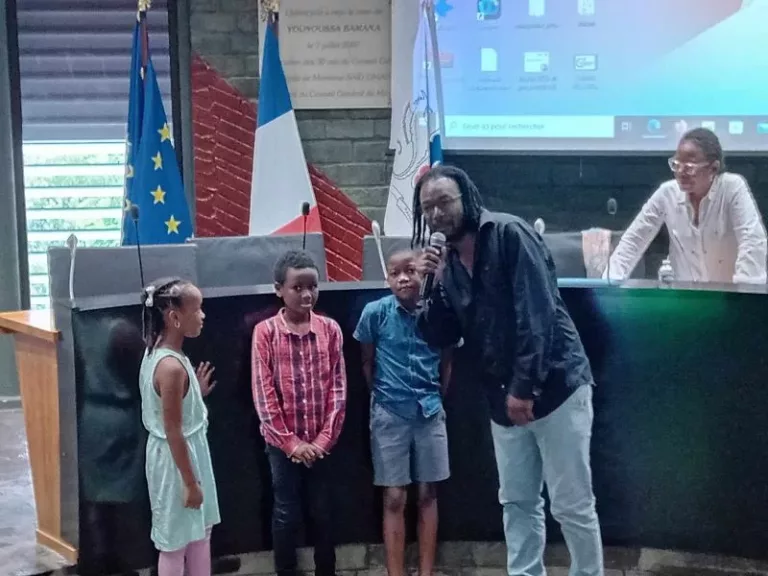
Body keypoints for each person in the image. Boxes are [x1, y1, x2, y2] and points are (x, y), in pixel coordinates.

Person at [413, 165, 604, 576]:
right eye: (428, 208)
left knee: (571, 504)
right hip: (503, 401)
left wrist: (524, 388)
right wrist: (430, 285)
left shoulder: (509, 234)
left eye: (444, 202)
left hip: (555, 389)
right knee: (517, 502)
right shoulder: (448, 265)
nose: (436, 214)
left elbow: (538, 316)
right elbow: (440, 334)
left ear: (467, 198)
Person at [353, 249, 452, 576]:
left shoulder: (440, 313)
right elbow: (367, 361)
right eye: (395, 273)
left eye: (410, 270)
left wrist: (435, 399)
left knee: (428, 493)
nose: (404, 278)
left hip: (430, 413)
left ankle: (426, 572)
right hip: (389, 413)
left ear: (423, 273)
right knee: (394, 496)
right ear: (387, 279)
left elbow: (447, 363)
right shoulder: (375, 313)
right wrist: (383, 397)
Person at [251, 250, 347, 576]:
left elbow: (338, 389)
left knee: (323, 511)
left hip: (322, 443)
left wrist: (322, 441)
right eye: (297, 287)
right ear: (279, 289)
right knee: (285, 511)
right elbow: (263, 394)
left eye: (313, 286)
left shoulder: (330, 329)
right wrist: (291, 444)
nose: (307, 294)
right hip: (282, 446)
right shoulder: (266, 332)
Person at [605, 128, 766, 284]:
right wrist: (607, 285)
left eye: (689, 168)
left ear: (713, 168)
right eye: (676, 165)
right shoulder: (667, 193)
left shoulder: (732, 187)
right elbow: (633, 240)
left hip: (728, 296)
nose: (680, 173)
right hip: (686, 297)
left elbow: (752, 241)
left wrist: (744, 293)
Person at [138, 278, 220, 576]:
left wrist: (195, 393)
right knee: (174, 541)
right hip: (177, 464)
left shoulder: (158, 353)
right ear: (174, 318)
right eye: (197, 310)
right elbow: (173, 430)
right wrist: (190, 483)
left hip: (187, 454)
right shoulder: (170, 367)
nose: (202, 316)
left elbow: (170, 407)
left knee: (199, 532)